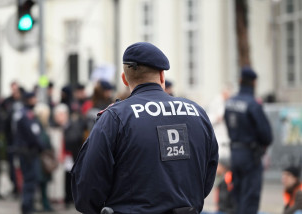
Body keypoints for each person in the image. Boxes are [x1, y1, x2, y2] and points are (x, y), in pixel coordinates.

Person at [71, 42, 219, 214]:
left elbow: (87, 186)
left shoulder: (115, 117)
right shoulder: (197, 113)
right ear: (162, 76)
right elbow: (208, 174)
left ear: (125, 79)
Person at [224, 67, 273, 214]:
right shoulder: (253, 104)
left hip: (235, 153)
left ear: (240, 81)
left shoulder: (230, 102)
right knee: (250, 198)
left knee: (237, 196)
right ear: (254, 83)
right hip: (251, 156)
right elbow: (267, 136)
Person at [14, 92, 44, 214]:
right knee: (30, 179)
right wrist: (41, 146)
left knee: (29, 179)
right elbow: (33, 134)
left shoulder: (22, 113)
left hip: (26, 151)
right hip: (28, 152)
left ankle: (28, 205)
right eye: (33, 98)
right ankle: (27, 206)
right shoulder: (27, 115)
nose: (35, 100)